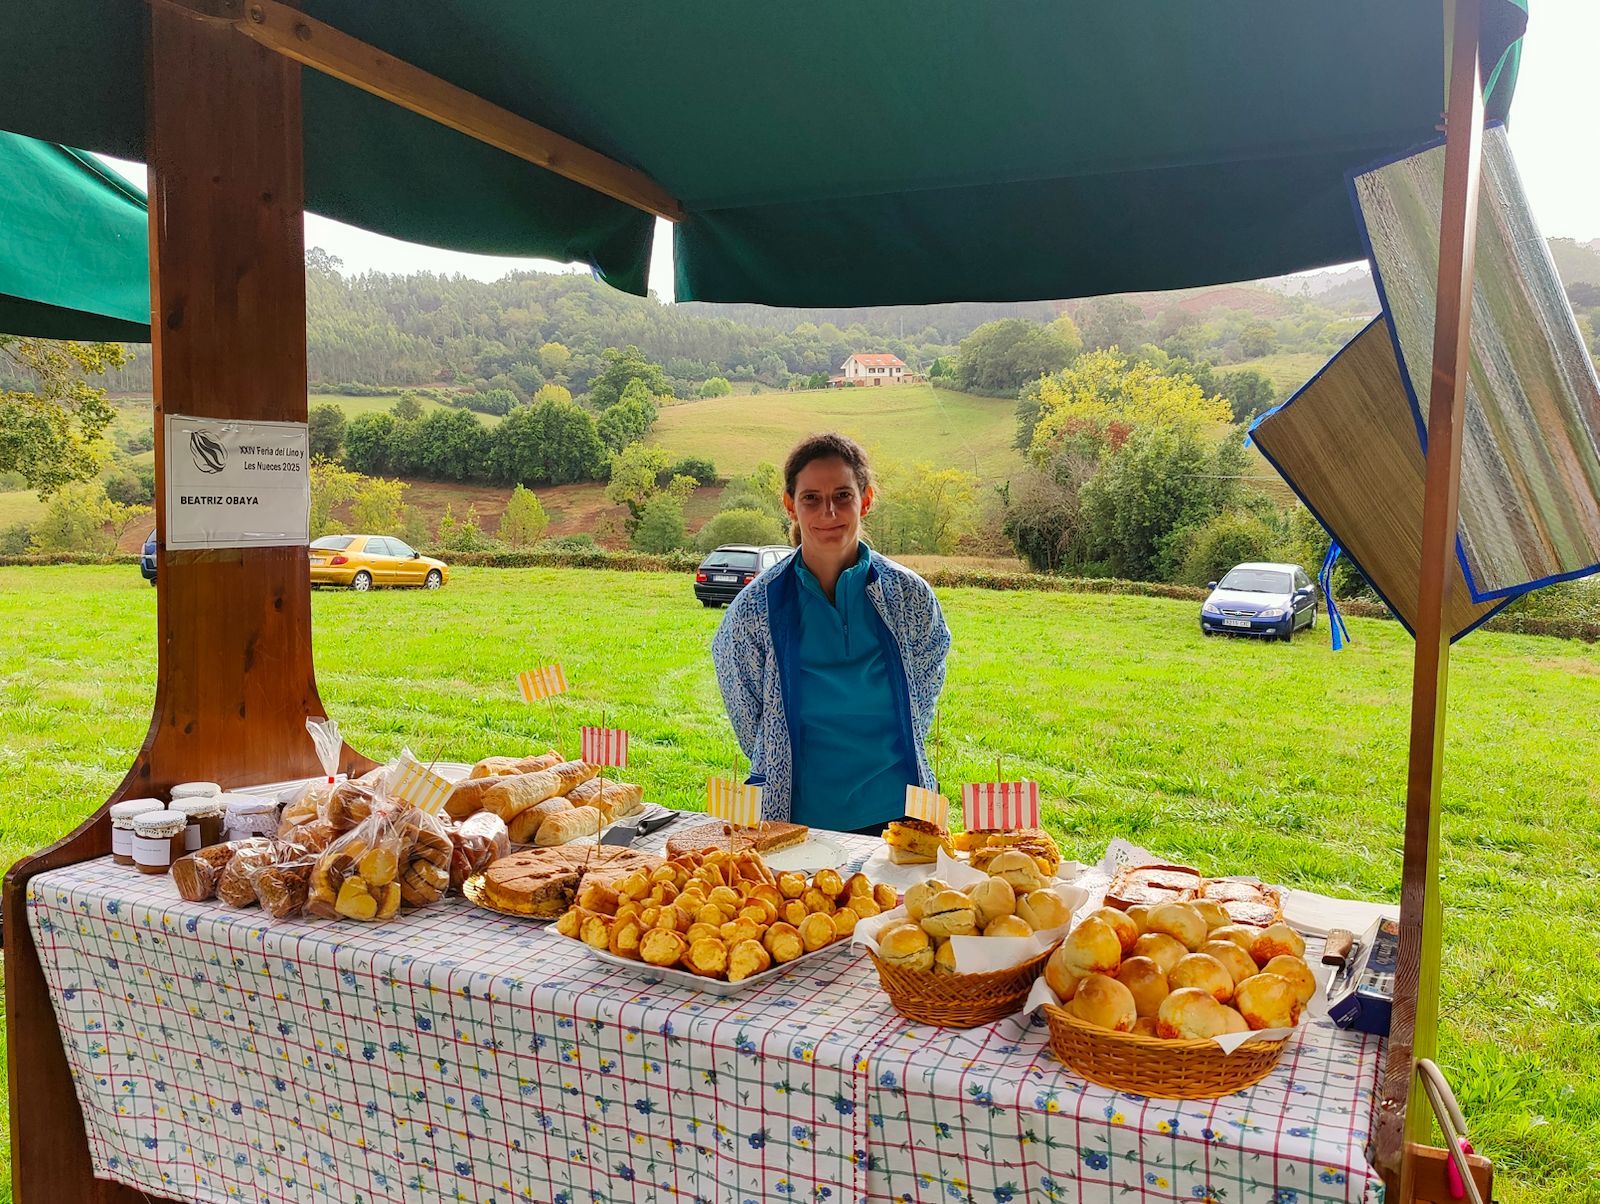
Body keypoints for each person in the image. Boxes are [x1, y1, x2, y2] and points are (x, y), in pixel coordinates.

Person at [712, 433, 951, 834]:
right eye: (811, 498)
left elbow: (922, 699)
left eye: (843, 495)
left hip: (897, 817)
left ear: (867, 499)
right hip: (793, 822)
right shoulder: (753, 611)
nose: (828, 511)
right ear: (790, 505)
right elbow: (750, 719)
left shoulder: (910, 597)